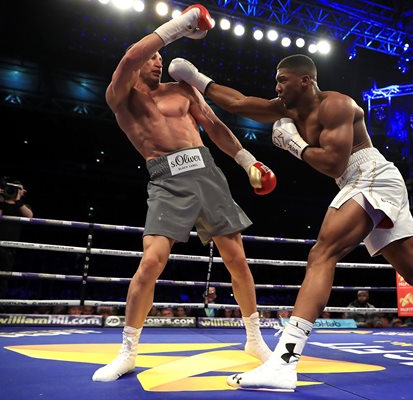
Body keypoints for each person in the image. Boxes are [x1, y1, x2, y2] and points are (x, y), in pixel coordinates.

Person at [173, 54, 413, 391]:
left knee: (322, 254)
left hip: (371, 176)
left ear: (306, 80)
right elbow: (237, 102)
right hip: (363, 182)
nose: (277, 87)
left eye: (283, 81)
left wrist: (293, 144)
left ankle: (283, 361)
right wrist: (195, 78)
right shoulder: (285, 107)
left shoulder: (338, 105)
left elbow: (332, 163)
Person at [91, 4, 275, 382]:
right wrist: (180, 26)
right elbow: (130, 57)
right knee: (151, 262)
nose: (158, 62)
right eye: (152, 57)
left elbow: (216, 126)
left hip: (207, 172)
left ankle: (254, 338)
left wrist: (247, 162)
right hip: (165, 179)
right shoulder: (120, 96)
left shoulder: (183, 89)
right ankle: (127, 351)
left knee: (237, 259)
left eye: (161, 57)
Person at [0, 177, 34, 299]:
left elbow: (30, 217)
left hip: (9, 249)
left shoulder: (23, 207)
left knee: (1, 280)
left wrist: (18, 200)